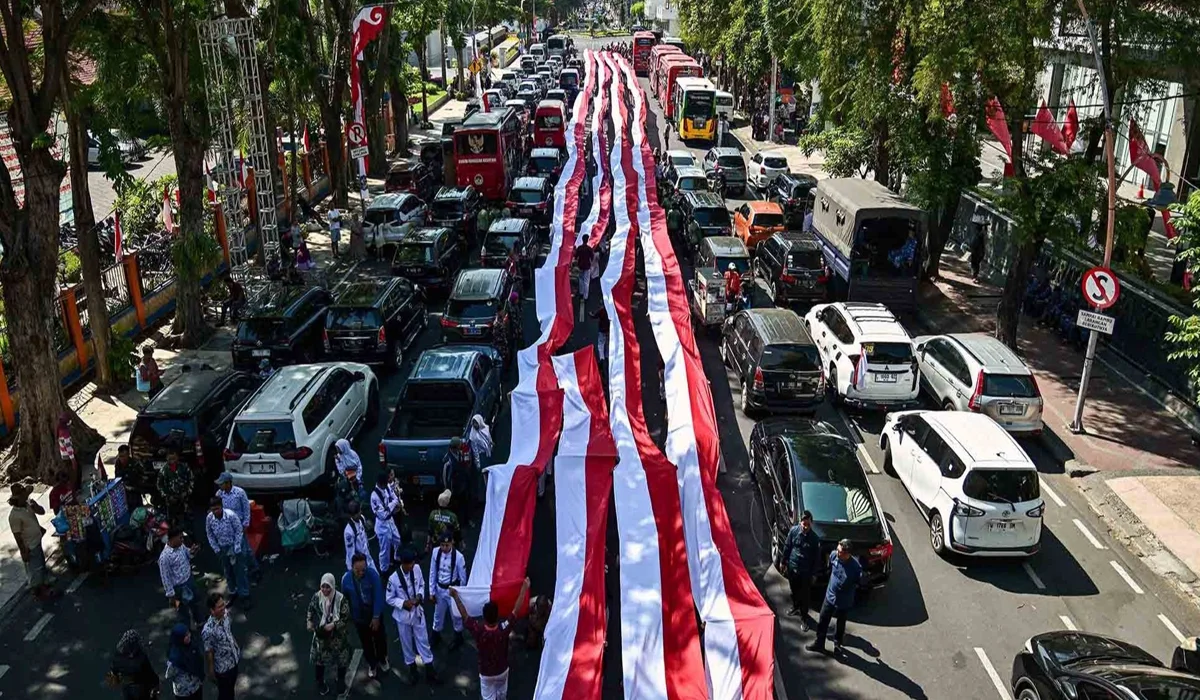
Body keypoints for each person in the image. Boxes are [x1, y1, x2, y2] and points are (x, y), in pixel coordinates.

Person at [449, 576, 530, 700]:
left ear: (484, 617)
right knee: (502, 695)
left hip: (486, 674)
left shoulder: (478, 630)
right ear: (497, 615)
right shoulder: (504, 628)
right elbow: (516, 610)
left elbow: (464, 615)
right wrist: (524, 588)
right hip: (502, 671)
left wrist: (455, 597)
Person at [386, 549, 440, 685]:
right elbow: (389, 598)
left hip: (417, 612)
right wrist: (403, 603)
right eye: (408, 564)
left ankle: (430, 669)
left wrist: (420, 596)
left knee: (423, 640)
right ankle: (412, 669)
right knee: (406, 643)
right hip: (403, 617)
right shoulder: (393, 578)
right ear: (402, 563)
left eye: (412, 563)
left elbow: (421, 584)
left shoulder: (416, 569)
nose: (411, 566)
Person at [805, 539, 862, 656]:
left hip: (844, 601)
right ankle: (819, 643)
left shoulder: (855, 568)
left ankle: (838, 644)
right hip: (830, 596)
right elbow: (830, 567)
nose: (837, 552)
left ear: (847, 553)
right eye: (837, 549)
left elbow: (859, 582)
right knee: (823, 620)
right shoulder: (833, 556)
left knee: (840, 623)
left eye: (840, 551)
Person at [343, 554, 390, 679]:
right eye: (357, 570)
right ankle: (372, 664)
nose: (361, 572)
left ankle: (383, 658)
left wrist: (376, 617)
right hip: (359, 617)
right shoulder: (346, 580)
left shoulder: (373, 575)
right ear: (352, 567)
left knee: (380, 638)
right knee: (366, 642)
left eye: (363, 569)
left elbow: (379, 595)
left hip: (373, 612)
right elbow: (345, 599)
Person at [9, 480, 56, 601]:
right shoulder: (14, 516)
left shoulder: (28, 504)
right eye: (23, 495)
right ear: (17, 498)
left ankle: (44, 584)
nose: (25, 497)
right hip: (29, 545)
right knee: (35, 569)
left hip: (37, 540)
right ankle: (39, 592)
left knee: (40, 564)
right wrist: (24, 551)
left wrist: (35, 506)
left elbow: (42, 511)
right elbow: (17, 536)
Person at [308, 572, 352, 697]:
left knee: (341, 661)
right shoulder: (317, 597)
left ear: (333, 586)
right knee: (320, 661)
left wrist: (333, 625)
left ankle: (340, 680)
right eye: (323, 586)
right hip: (322, 637)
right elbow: (310, 610)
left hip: (338, 637)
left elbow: (345, 618)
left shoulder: (341, 599)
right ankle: (320, 682)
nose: (325, 589)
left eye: (328, 587)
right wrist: (309, 622)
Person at [205, 497, 251, 608]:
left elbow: (239, 531)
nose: (216, 511)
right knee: (227, 571)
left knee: (239, 571)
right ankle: (232, 592)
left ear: (222, 507)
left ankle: (244, 595)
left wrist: (236, 547)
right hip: (222, 548)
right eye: (213, 509)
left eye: (217, 508)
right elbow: (209, 534)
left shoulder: (231, 515)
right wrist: (216, 548)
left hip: (234, 546)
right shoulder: (209, 518)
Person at [215, 472, 259, 581]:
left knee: (245, 549)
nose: (220, 486)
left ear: (228, 483)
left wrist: (245, 523)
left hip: (238, 524)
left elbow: (246, 509)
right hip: (226, 525)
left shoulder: (240, 493)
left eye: (222, 484)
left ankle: (254, 569)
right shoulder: (219, 494)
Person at [159, 527, 205, 630]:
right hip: (179, 589)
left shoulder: (181, 546)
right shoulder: (164, 557)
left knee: (196, 603)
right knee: (182, 610)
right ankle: (186, 631)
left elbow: (188, 555)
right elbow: (165, 578)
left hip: (189, 580)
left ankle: (200, 622)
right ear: (172, 538)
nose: (182, 540)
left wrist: (192, 551)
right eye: (180, 538)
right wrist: (171, 595)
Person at [781, 510, 820, 629]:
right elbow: (788, 546)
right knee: (794, 590)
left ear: (811, 523)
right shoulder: (794, 531)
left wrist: (814, 574)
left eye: (807, 524)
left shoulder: (814, 539)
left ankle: (804, 618)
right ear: (800, 522)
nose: (805, 526)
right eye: (803, 524)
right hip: (793, 569)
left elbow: (816, 559)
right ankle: (795, 607)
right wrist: (783, 562)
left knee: (805, 596)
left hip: (805, 572)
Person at [428, 533, 467, 650]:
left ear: (452, 543)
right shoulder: (436, 552)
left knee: (456, 616)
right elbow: (432, 572)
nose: (444, 548)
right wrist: (431, 591)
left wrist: (459, 595)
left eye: (447, 545)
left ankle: (458, 637)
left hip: (452, 591)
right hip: (440, 589)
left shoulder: (459, 557)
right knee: (438, 614)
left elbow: (463, 578)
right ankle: (436, 635)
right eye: (442, 545)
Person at [202, 594, 241, 700]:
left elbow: (229, 632)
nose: (223, 608)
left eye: (223, 604)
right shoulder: (208, 631)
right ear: (212, 610)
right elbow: (209, 651)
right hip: (223, 668)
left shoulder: (226, 615)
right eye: (219, 607)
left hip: (234, 659)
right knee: (225, 694)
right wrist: (211, 671)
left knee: (231, 690)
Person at [109, 629, 160, 700]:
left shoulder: (118, 657)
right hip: (142, 691)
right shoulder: (141, 657)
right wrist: (156, 685)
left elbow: (114, 677)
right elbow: (151, 675)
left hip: (127, 691)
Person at [370, 473, 403, 572]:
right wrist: (393, 504)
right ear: (380, 484)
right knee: (385, 549)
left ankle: (397, 558)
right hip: (382, 525)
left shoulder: (387, 487)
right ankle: (384, 569)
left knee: (397, 540)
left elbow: (395, 497)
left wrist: (391, 505)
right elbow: (383, 514)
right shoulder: (374, 497)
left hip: (390, 520)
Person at [165, 623, 205, 700]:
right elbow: (169, 675)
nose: (189, 636)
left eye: (188, 633)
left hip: (196, 686)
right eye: (185, 636)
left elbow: (199, 661)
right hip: (183, 693)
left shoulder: (192, 645)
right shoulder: (175, 658)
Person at [442, 438, 475, 526]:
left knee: (466, 502)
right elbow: (445, 475)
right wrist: (447, 488)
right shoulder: (448, 460)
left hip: (463, 482)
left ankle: (467, 520)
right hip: (455, 486)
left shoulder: (459, 453)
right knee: (455, 505)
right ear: (455, 447)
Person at [157, 450, 193, 527]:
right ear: (167, 458)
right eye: (170, 459)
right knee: (172, 521)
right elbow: (159, 485)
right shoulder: (163, 470)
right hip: (171, 500)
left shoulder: (184, 467)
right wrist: (167, 496)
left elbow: (191, 479)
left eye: (174, 458)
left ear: (177, 458)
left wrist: (188, 492)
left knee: (186, 519)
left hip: (184, 498)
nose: (172, 461)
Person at [342, 500, 375, 573]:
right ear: (351, 515)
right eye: (355, 514)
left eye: (359, 512)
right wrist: (355, 570)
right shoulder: (349, 532)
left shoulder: (362, 519)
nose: (358, 515)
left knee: (376, 578)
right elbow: (351, 554)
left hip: (368, 558)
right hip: (358, 563)